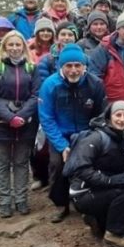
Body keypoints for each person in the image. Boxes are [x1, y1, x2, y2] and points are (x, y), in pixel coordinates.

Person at [38, 44, 106, 223]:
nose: (73, 70)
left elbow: (100, 115)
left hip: (85, 133)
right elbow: (46, 118)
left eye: (77, 65)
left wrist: (90, 139)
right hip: (60, 135)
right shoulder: (50, 85)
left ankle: (86, 202)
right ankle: (61, 204)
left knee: (88, 167)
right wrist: (62, 146)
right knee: (57, 166)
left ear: (84, 66)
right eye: (69, 66)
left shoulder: (95, 84)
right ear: (61, 67)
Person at [65, 101, 124, 247]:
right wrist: (111, 181)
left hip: (104, 188)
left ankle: (99, 220)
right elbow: (82, 170)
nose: (122, 119)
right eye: (118, 115)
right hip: (83, 192)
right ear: (109, 117)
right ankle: (114, 235)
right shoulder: (96, 138)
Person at [0, 31, 40, 218]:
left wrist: (22, 115)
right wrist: (10, 117)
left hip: (25, 123)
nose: (15, 48)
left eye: (18, 45)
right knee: (1, 163)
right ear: (5, 47)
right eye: (11, 45)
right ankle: (4, 201)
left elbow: (36, 95)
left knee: (21, 162)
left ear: (24, 47)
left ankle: (21, 199)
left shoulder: (31, 68)